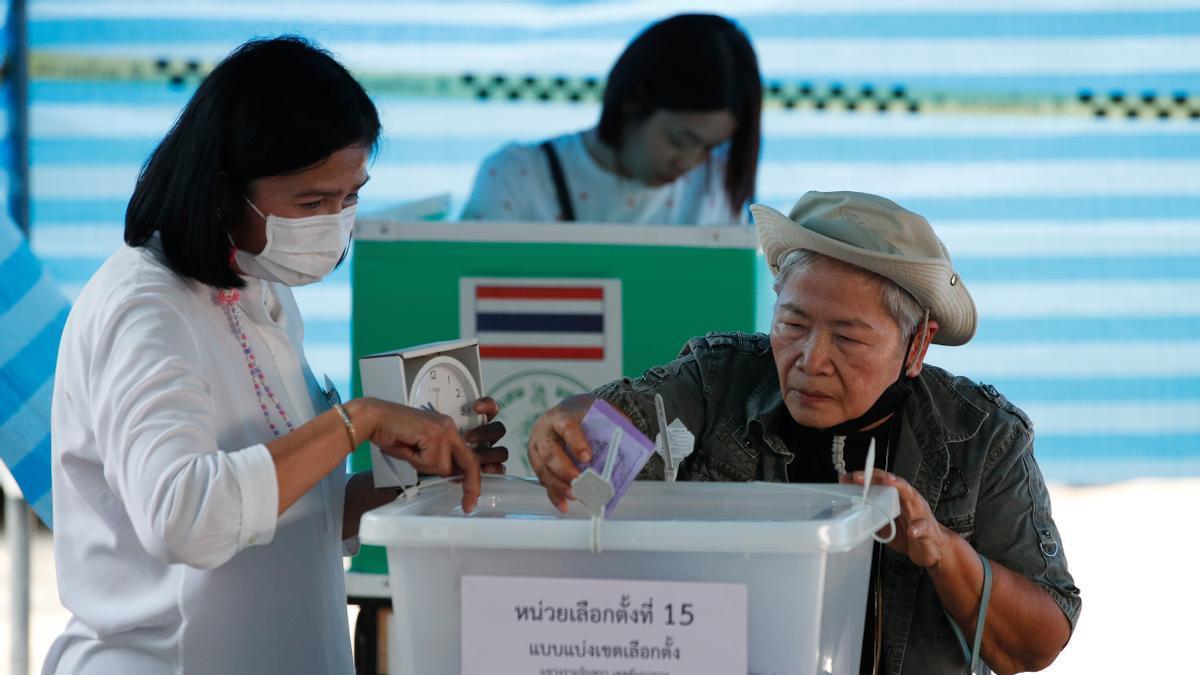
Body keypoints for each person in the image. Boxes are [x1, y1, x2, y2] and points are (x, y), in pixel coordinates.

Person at [44, 37, 505, 675]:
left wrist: (411, 483)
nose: (335, 222)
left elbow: (284, 510)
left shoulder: (260, 289)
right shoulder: (145, 307)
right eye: (311, 203)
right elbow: (185, 517)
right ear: (223, 189)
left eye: (351, 197)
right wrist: (357, 422)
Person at [526, 191, 1080, 674]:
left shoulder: (981, 437)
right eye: (793, 325)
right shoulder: (719, 380)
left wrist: (941, 550)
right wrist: (573, 425)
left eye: (848, 339)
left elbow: (1038, 643)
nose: (810, 361)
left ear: (917, 345)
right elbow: (623, 421)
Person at [461, 13, 762, 225]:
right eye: (680, 140)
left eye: (710, 147)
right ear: (632, 99)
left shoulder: (718, 188)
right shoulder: (517, 179)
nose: (688, 163)